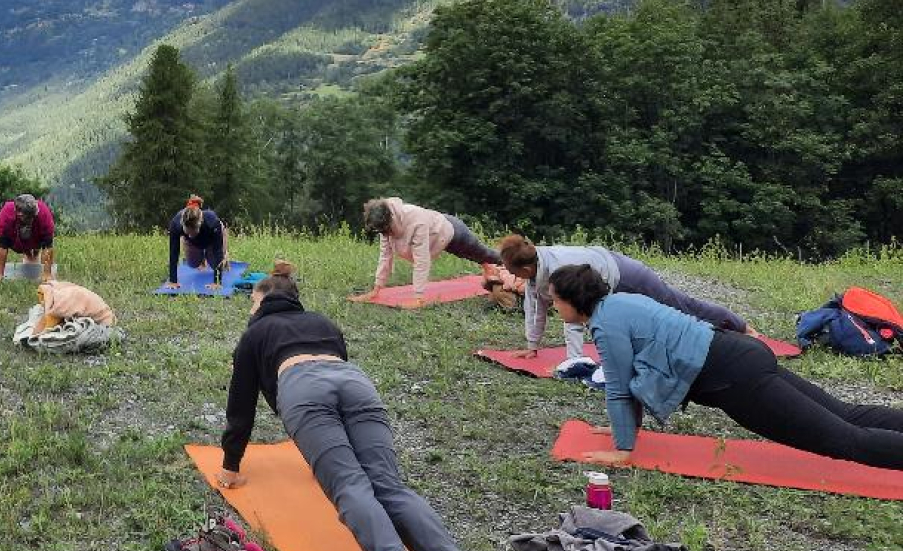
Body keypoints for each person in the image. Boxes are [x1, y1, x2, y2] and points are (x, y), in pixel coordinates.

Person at [549, 264, 903, 471]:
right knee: (848, 414)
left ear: (573, 300)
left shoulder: (605, 326)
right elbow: (634, 380)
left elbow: (620, 387)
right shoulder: (621, 301)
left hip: (735, 380)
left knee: (843, 440)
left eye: (555, 299)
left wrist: (622, 450)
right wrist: (631, 430)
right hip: (741, 352)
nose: (552, 306)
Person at [217, 261, 459, 551]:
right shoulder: (323, 322)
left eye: (252, 303)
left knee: (350, 485)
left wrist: (230, 465)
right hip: (355, 382)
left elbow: (241, 406)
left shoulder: (255, 333)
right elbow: (336, 375)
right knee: (390, 485)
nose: (250, 310)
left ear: (262, 301)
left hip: (303, 388)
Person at [499, 234, 753, 361]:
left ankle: (740, 326)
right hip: (602, 281)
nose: (508, 275)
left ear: (524, 269)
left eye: (510, 271)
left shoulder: (557, 271)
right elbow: (535, 308)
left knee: (679, 304)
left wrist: (574, 362)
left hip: (623, 274)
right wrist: (532, 347)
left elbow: (573, 319)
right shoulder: (534, 272)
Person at [355, 198, 500, 307]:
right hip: (436, 232)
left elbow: (422, 261)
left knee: (485, 254)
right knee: (471, 255)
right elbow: (385, 256)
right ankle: (487, 267)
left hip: (453, 231)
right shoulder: (384, 225)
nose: (384, 235)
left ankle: (516, 260)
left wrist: (418, 297)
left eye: (385, 231)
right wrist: (376, 289)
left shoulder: (416, 221)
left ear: (390, 219)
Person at [164, 195, 227, 291]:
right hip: (193, 243)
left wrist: (217, 282)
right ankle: (201, 258)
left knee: (216, 265)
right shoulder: (176, 224)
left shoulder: (212, 222)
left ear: (200, 223)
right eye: (187, 232)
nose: (190, 234)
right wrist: (173, 281)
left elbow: (217, 250)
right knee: (193, 264)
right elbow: (173, 252)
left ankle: (223, 254)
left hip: (211, 240)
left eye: (192, 231)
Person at [0, 194, 56, 282]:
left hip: (36, 238)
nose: (32, 218)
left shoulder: (43, 213)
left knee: (35, 252)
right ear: (19, 214)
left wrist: (47, 274)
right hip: (15, 239)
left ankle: (33, 255)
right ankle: (28, 254)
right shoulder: (6, 215)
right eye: (29, 217)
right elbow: (3, 247)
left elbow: (48, 247)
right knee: (25, 249)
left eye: (33, 216)